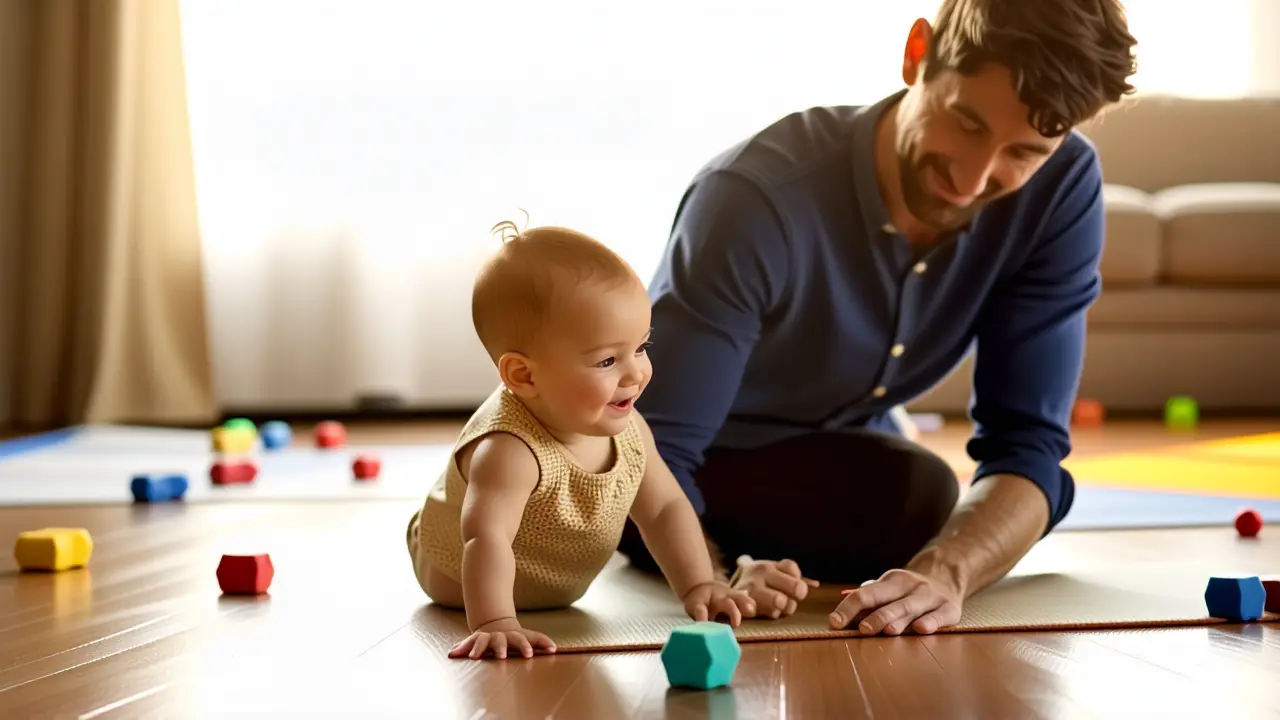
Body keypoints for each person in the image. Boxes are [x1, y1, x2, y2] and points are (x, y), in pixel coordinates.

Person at [619, 0, 1139, 636]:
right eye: (966, 123)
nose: (974, 182)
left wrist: (945, 572)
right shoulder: (754, 200)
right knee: (914, 491)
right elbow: (648, 453)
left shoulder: (1061, 189)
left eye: (1024, 152)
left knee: (927, 504)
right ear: (916, 55)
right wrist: (719, 577)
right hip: (685, 461)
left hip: (843, 441)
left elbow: (1029, 448)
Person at [406, 220, 756, 660]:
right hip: (457, 577)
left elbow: (665, 508)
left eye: (641, 347)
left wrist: (701, 583)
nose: (635, 373)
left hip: (556, 581)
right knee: (487, 536)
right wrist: (495, 622)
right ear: (524, 375)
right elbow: (486, 538)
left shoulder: (630, 431)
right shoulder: (509, 450)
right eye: (608, 360)